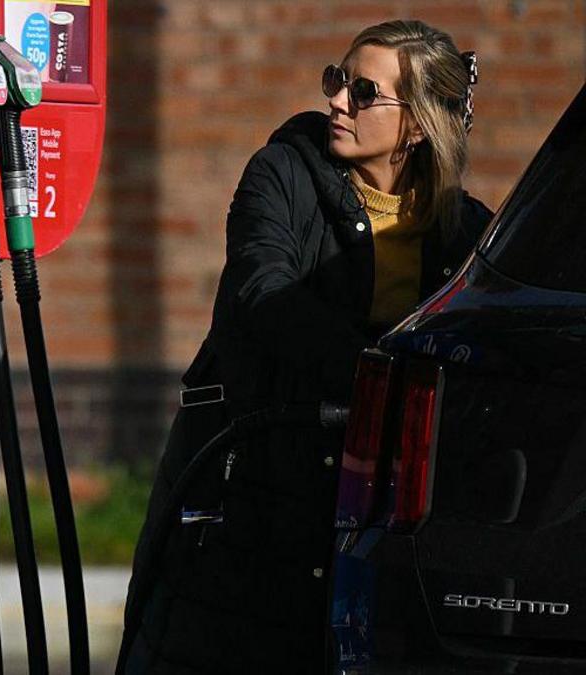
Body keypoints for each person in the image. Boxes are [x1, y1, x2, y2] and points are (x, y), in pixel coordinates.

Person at [118, 20, 493, 673]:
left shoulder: (467, 233)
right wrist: (380, 381)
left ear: (417, 124)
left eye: (364, 91)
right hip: (254, 494)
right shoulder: (282, 173)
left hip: (376, 514)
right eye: (337, 80)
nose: (338, 101)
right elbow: (262, 291)